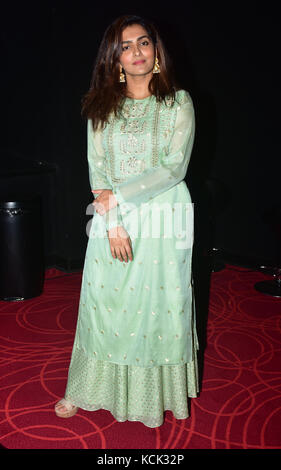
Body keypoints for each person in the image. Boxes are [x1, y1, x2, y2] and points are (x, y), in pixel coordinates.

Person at [55, 14, 199, 428]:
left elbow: (174, 168)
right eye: (125, 46)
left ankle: (152, 397)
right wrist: (112, 216)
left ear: (156, 51)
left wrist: (114, 197)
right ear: (114, 58)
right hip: (111, 216)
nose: (135, 52)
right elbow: (96, 168)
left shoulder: (178, 101)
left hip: (165, 216)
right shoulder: (101, 104)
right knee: (106, 306)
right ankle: (84, 390)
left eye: (143, 43)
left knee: (157, 308)